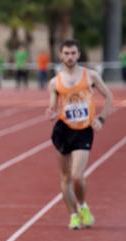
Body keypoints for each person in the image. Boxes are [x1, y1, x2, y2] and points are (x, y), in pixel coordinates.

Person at [45, 38, 113, 230]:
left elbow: (108, 96)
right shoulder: (54, 82)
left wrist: (101, 119)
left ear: (78, 54)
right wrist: (50, 111)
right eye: (66, 53)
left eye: (73, 53)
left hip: (83, 130)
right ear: (60, 55)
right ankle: (73, 215)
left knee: (77, 176)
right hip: (63, 130)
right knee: (65, 177)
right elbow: (52, 105)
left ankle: (83, 206)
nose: (70, 57)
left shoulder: (90, 75)